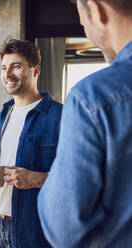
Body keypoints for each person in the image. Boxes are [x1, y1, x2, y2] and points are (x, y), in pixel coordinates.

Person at [38, 0, 132, 247]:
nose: (81, 24)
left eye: (81, 16)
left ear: (96, 10)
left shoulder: (93, 97)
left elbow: (66, 228)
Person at [0, 39, 62, 248]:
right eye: (4, 68)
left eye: (16, 66)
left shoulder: (61, 116)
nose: (7, 73)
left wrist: (37, 179)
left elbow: (78, 177)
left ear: (36, 70)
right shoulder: (1, 117)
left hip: (34, 232)